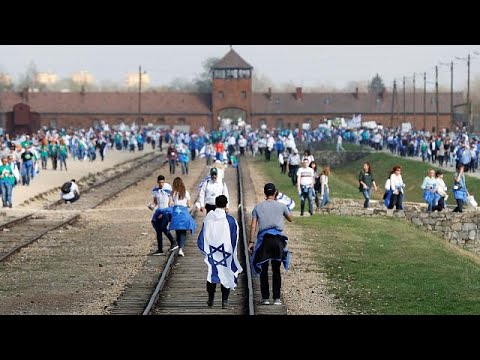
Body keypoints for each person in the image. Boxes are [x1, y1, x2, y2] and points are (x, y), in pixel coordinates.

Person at [249, 183, 293, 306]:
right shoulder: (282, 206)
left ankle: (265, 298)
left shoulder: (257, 207)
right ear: (275, 193)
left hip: (264, 240)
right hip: (277, 241)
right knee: (276, 269)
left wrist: (251, 242)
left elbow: (253, 225)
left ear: (264, 193)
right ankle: (277, 298)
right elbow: (291, 218)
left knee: (263, 269)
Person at [197, 195, 243, 309]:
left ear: (216, 203)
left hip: (212, 252)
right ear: (226, 204)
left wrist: (205, 251)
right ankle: (224, 301)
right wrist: (232, 253)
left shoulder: (209, 218)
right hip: (225, 253)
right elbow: (235, 237)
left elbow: (202, 237)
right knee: (226, 274)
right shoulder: (231, 220)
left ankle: (211, 298)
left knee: (211, 274)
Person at [150, 175, 178, 256]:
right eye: (160, 182)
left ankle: (173, 241)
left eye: (162, 182)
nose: (161, 184)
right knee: (158, 230)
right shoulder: (155, 190)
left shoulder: (168, 188)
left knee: (162, 227)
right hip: (159, 211)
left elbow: (170, 202)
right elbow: (155, 201)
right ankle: (160, 249)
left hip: (166, 211)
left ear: (164, 181)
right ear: (157, 182)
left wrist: (164, 212)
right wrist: (151, 206)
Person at [169, 177, 196, 257]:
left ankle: (178, 245)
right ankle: (181, 249)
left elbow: (170, 204)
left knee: (178, 231)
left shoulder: (172, 193)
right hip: (184, 213)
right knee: (183, 231)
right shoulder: (186, 192)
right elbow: (189, 205)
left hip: (176, 214)